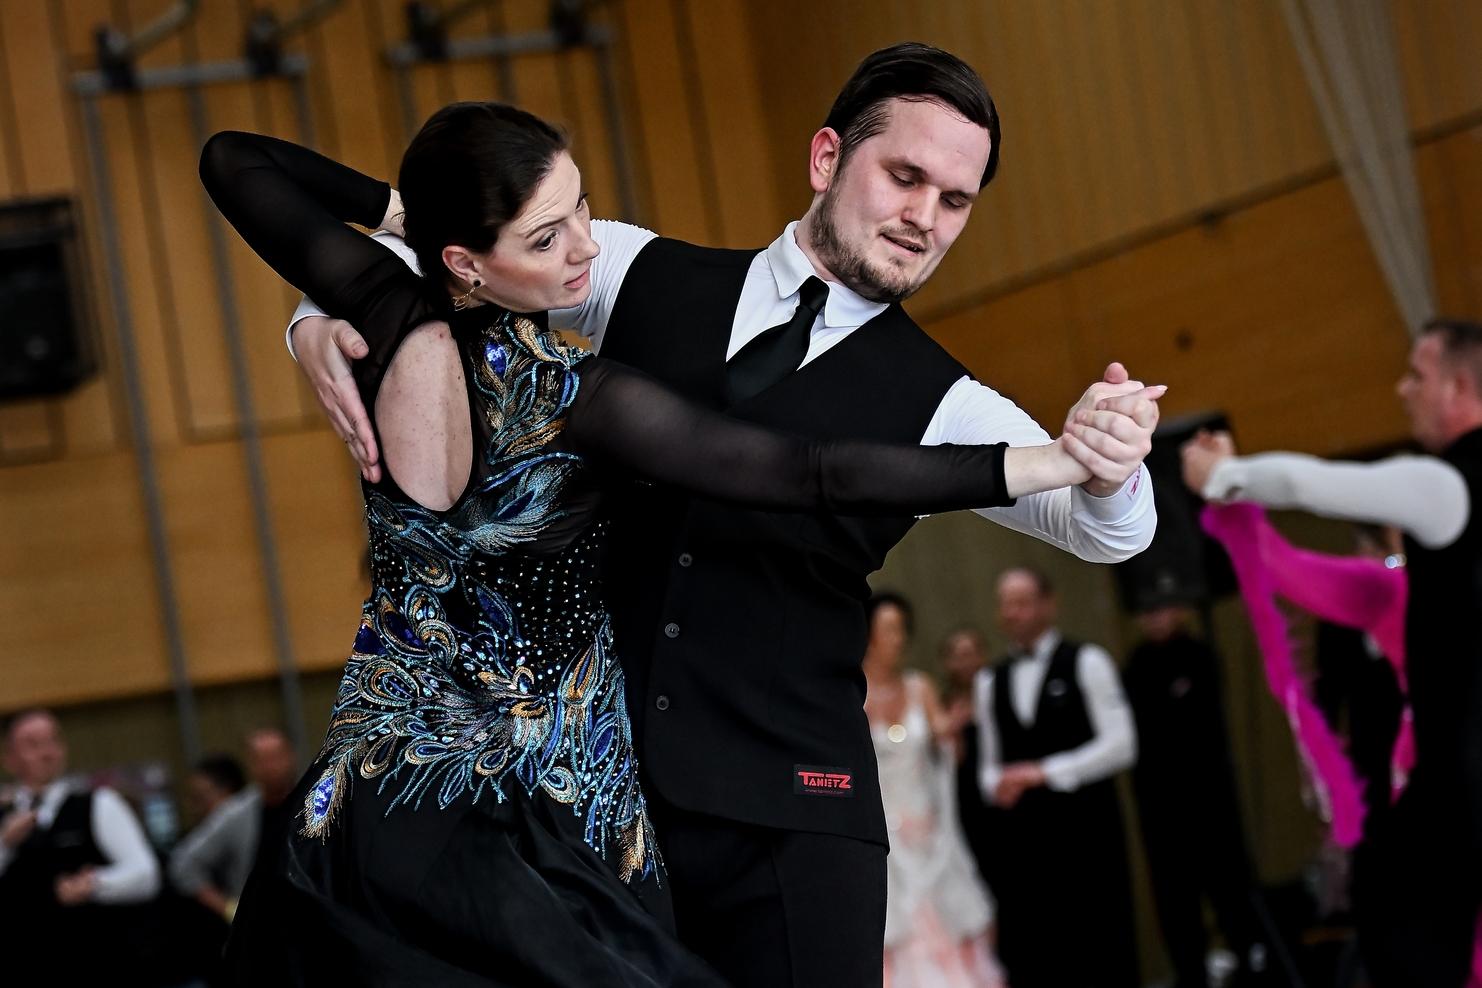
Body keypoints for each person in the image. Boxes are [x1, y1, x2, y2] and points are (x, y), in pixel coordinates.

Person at [199, 81, 1144, 981]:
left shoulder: (951, 398)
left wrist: (1102, 461)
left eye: (956, 200)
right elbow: (802, 470)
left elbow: (1113, 534)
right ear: (827, 158)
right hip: (583, 815)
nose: (924, 217)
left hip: (766, 814)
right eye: (905, 177)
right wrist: (317, 318)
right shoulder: (609, 296)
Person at [1181, 316, 1482, 987]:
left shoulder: (1451, 485)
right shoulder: (1390, 589)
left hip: (1457, 810)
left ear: (1459, 387)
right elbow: (1289, 568)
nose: (1402, 389)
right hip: (1424, 811)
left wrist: (1224, 475)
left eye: (1417, 376)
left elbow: (1308, 484)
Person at [973, 567, 1139, 988]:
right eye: (1005, 604)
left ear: (1048, 605)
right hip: (1027, 841)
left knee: (1102, 942)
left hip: (1088, 830)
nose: (1012, 613)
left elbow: (1122, 744)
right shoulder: (989, 681)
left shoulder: (1087, 660)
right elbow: (988, 766)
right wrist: (998, 785)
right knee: (1042, 950)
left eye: (1022, 602)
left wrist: (1045, 772)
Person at [863, 593, 1003, 988]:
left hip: (929, 830)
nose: (898, 638)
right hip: (885, 836)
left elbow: (944, 743)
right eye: (888, 629)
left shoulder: (918, 686)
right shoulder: (853, 694)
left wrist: (952, 735)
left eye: (901, 629)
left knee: (947, 919)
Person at [1123, 604, 1267, 988]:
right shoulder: (1134, 666)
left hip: (1210, 804)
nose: (1153, 617)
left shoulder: (1200, 656)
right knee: (1176, 905)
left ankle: (1250, 963)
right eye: (1146, 611)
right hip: (1161, 810)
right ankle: (1192, 974)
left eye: (1160, 609)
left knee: (1230, 894)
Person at [0, 708, 162, 982]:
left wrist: (96, 884)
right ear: (9, 758)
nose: (47, 753)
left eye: (53, 741)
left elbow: (146, 874)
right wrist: (4, 845)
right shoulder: (4, 816)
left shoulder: (99, 803)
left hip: (94, 961)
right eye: (33, 745)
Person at [169, 754, 258, 920]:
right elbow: (182, 865)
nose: (193, 809)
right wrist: (229, 909)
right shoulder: (203, 842)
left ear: (228, 795)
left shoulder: (242, 818)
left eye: (200, 798)